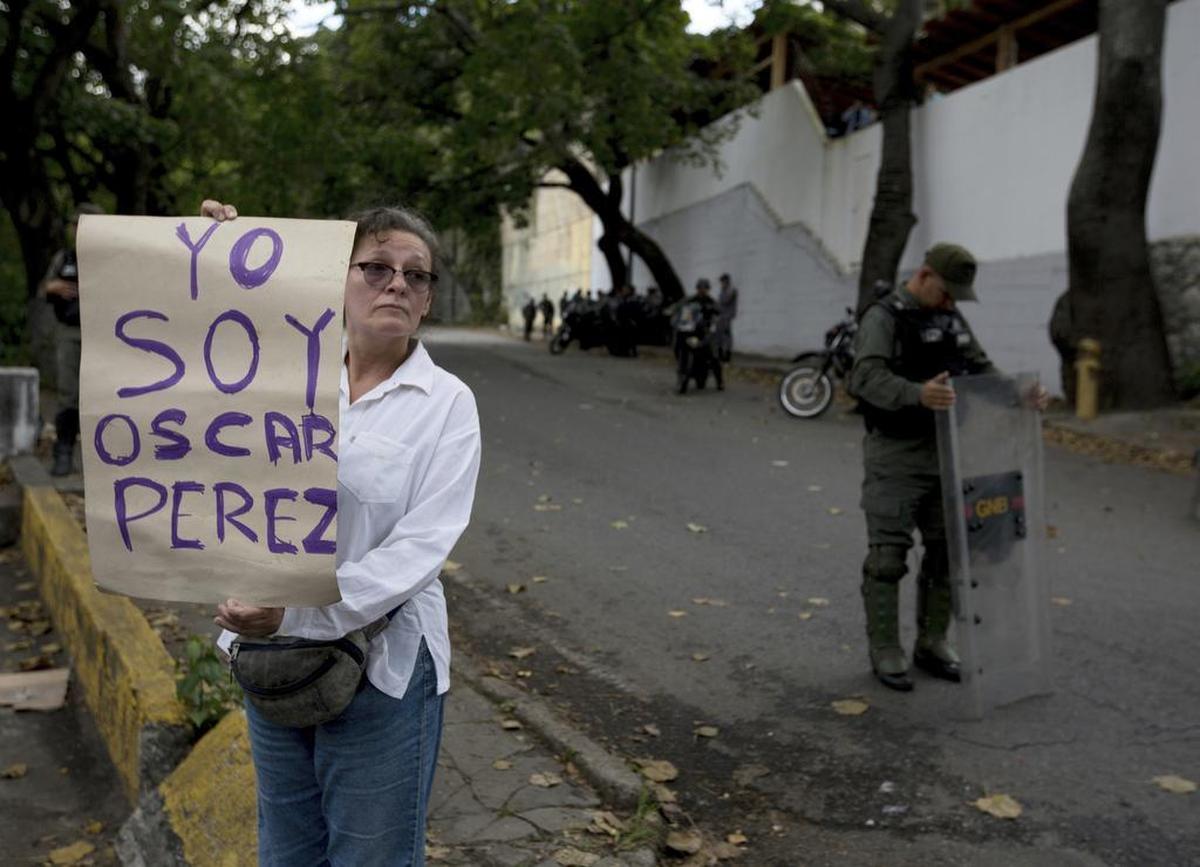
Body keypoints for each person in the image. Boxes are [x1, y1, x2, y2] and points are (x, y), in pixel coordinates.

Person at [203, 199, 482, 865]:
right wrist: (209, 256)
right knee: (287, 849)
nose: (398, 284)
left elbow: (418, 551)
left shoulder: (447, 405)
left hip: (380, 669)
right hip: (272, 660)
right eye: (377, 267)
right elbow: (198, 378)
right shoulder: (282, 373)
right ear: (338, 277)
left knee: (370, 856)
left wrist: (292, 607)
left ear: (428, 299)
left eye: (417, 276)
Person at [847, 243, 1047, 692]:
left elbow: (978, 367)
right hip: (896, 455)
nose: (952, 302)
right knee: (887, 557)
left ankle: (932, 641)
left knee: (945, 550)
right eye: (946, 292)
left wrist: (1018, 392)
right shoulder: (884, 317)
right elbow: (864, 378)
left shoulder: (950, 317)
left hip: (948, 450)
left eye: (957, 295)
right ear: (923, 276)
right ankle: (885, 648)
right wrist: (916, 393)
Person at [39, 203, 104, 476]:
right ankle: (63, 451)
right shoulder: (64, 258)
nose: (78, 229)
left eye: (83, 224)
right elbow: (44, 289)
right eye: (75, 224)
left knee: (102, 395)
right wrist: (54, 287)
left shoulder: (109, 256)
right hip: (70, 330)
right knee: (69, 392)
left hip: (102, 332)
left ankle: (102, 459)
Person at [670, 278, 723, 394]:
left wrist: (714, 323)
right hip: (690, 331)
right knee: (679, 346)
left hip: (704, 332)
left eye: (704, 288)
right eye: (700, 287)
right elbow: (678, 308)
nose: (702, 290)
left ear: (708, 289)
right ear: (697, 288)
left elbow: (718, 314)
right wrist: (673, 314)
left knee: (713, 354)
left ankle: (720, 381)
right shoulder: (690, 300)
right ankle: (682, 374)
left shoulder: (711, 302)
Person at [716, 273, 739, 363]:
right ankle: (721, 355)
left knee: (726, 336)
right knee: (720, 336)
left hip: (727, 316)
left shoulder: (731, 290)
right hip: (721, 316)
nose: (721, 284)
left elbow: (725, 300)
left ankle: (726, 356)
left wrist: (723, 290)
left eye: (722, 282)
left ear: (726, 281)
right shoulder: (724, 290)